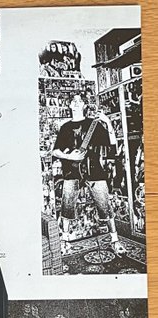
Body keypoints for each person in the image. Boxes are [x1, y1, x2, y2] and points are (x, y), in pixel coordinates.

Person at [52, 94, 125, 256]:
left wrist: (108, 122)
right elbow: (55, 151)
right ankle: (65, 239)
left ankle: (115, 240)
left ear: (85, 105)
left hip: (95, 171)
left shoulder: (94, 124)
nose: (76, 103)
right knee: (67, 205)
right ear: (70, 105)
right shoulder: (65, 127)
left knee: (105, 205)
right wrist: (69, 156)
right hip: (71, 171)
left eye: (80, 101)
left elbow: (112, 144)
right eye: (74, 100)